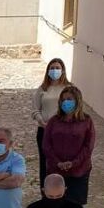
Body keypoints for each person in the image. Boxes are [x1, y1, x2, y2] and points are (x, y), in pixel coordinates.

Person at [42, 84, 95, 206]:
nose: (65, 102)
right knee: (55, 204)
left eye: (69, 99)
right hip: (55, 170)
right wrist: (57, 162)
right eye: (63, 99)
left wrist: (73, 163)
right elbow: (46, 144)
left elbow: (88, 146)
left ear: (77, 101)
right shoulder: (54, 121)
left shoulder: (86, 121)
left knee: (75, 206)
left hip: (79, 171)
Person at [32, 58, 70, 192]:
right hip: (44, 130)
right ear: (48, 71)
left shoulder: (69, 88)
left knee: (62, 161)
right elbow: (35, 109)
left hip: (63, 131)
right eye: (52, 68)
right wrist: (41, 121)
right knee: (45, 162)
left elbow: (74, 108)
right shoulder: (42, 89)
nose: (55, 70)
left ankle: (61, 191)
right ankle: (46, 192)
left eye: (57, 68)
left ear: (63, 70)